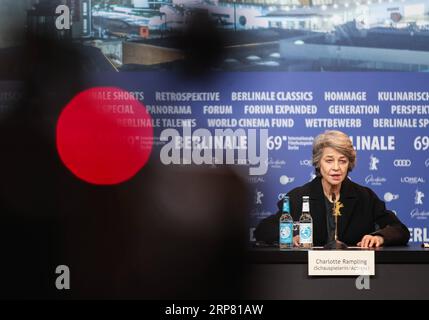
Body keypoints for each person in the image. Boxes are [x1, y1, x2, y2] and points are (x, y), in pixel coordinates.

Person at [254, 130, 410, 248]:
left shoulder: (365, 197)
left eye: (342, 161)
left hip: (356, 276)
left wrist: (380, 237)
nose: (336, 168)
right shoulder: (298, 197)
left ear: (349, 164)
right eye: (329, 160)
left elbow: (400, 229)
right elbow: (263, 230)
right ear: (318, 163)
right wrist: (291, 237)